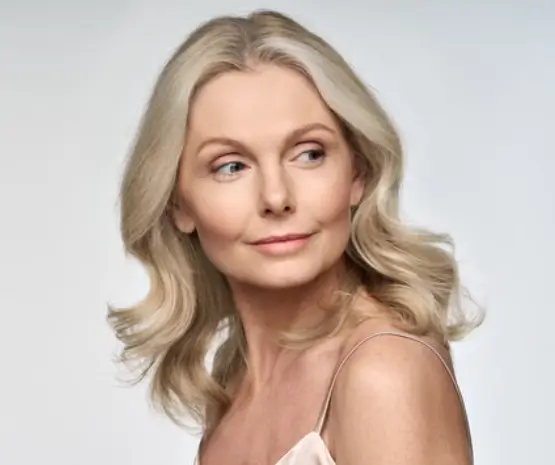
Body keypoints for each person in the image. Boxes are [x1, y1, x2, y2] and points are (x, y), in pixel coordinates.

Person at [108, 9, 482, 465]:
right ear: (177, 203)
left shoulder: (383, 372)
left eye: (309, 154)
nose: (276, 197)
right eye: (231, 166)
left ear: (358, 173)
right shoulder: (233, 386)